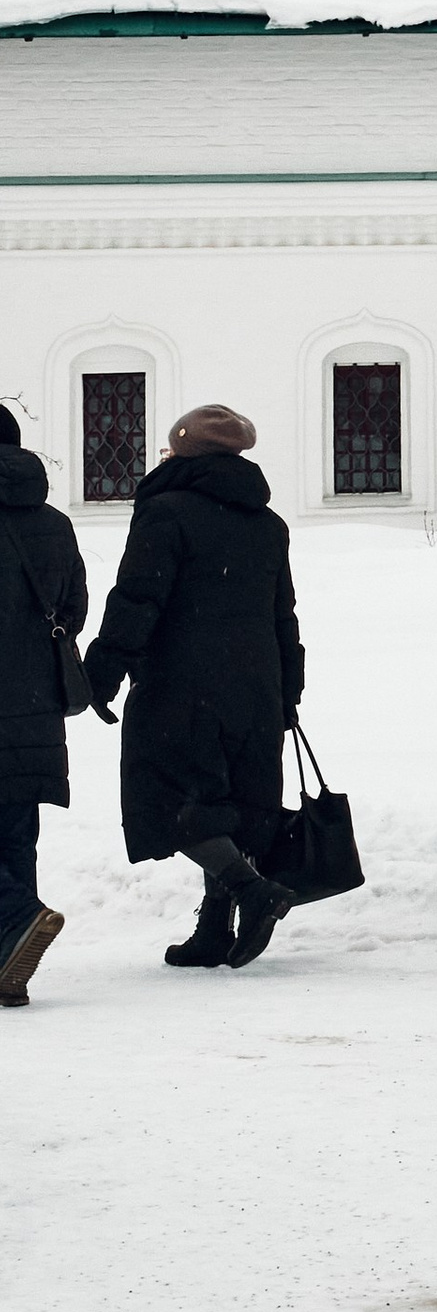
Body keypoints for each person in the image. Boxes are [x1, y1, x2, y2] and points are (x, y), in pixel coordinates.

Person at [84, 404, 305, 971]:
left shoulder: (167, 513)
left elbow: (138, 598)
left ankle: (253, 891)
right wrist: (288, 689)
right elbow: (284, 616)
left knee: (170, 797)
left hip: (182, 684)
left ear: (183, 452)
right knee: (228, 802)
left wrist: (104, 668)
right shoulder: (267, 523)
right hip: (255, 684)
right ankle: (214, 928)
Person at [0, 404, 87, 1008]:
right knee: (13, 834)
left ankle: (18, 917)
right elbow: (74, 609)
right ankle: (10, 973)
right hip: (32, 706)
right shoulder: (54, 523)